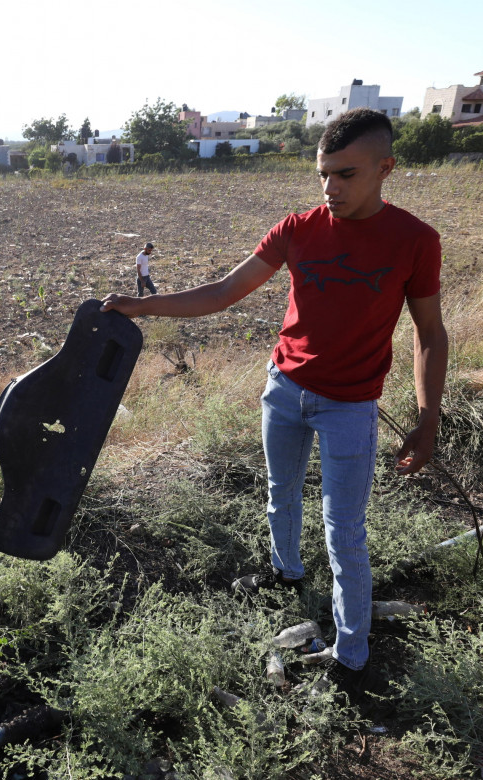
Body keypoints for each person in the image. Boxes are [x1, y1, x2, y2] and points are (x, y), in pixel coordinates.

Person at [101, 108, 448, 703]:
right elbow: (222, 292)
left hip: (350, 409)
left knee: (345, 531)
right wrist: (140, 309)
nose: (329, 188)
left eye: (345, 174)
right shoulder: (297, 229)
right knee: (280, 491)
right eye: (322, 175)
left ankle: (351, 655)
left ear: (385, 168)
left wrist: (427, 417)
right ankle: (286, 570)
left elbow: (429, 334)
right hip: (284, 390)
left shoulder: (416, 241)